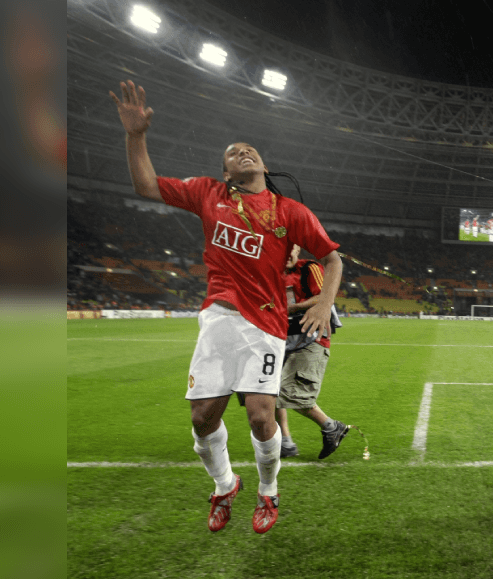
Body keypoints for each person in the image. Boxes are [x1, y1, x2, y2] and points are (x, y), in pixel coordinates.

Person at [111, 79, 342, 534]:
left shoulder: (290, 212)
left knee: (261, 413)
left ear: (264, 164)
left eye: (250, 149)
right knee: (201, 418)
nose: (244, 152)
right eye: (234, 152)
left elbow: (332, 259)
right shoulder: (206, 194)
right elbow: (145, 187)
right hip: (218, 317)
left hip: (266, 324)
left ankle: (269, 493)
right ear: (225, 170)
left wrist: (324, 304)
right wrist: (136, 135)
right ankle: (223, 486)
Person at [276, 243, 350, 460]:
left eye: (292, 249)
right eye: (283, 248)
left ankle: (330, 426)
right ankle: (285, 441)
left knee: (287, 391)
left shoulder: (309, 268)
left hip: (312, 338)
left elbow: (324, 296)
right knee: (269, 391)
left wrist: (294, 308)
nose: (288, 253)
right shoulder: (271, 274)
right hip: (283, 340)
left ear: (298, 251)